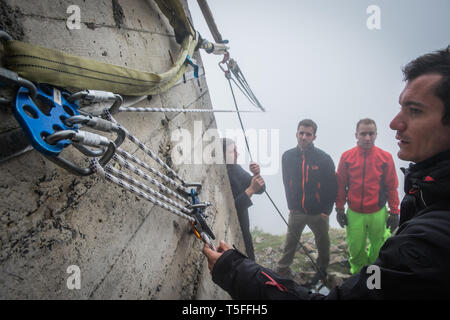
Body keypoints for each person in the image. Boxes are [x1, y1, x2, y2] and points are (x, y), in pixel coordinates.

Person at [203, 47, 450, 299]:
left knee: (342, 248)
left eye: (415, 110)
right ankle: (330, 276)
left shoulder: (344, 159)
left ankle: (335, 274)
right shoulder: (295, 156)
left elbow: (344, 186)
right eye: (300, 133)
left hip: (351, 213)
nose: (394, 124)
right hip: (305, 212)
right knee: (312, 248)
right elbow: (300, 184)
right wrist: (308, 206)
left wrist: (331, 211)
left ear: (314, 136)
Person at [275, 119, 337, 287]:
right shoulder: (288, 156)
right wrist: (291, 206)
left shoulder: (324, 159)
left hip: (319, 213)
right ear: (297, 134)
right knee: (290, 241)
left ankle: (322, 268)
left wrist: (326, 211)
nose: (304, 137)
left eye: (308, 134)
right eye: (301, 133)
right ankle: (282, 269)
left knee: (323, 242)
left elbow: (332, 186)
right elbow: (286, 181)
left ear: (314, 137)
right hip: (297, 211)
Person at [335, 118, 400, 274]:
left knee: (378, 248)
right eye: (363, 134)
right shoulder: (347, 157)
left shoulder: (385, 157)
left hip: (378, 212)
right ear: (356, 135)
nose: (367, 138)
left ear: (376, 134)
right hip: (355, 213)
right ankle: (357, 278)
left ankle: (373, 280)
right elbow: (340, 185)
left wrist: (394, 212)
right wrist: (339, 209)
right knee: (356, 249)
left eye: (371, 134)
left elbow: (392, 186)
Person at [222, 138, 265, 261]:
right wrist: (250, 190)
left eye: (236, 150)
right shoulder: (221, 175)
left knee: (249, 259)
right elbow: (230, 209)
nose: (237, 154)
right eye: (232, 151)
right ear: (221, 155)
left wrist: (257, 175)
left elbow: (260, 189)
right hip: (227, 230)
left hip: (243, 227)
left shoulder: (236, 169)